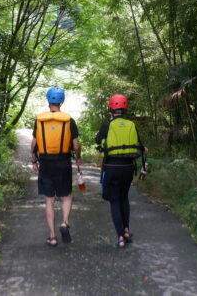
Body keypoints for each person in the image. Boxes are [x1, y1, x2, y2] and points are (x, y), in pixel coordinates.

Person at [31, 87, 82, 247]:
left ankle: (52, 237)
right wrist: (78, 158)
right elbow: (76, 144)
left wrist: (34, 161)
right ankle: (64, 223)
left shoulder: (40, 120)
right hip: (63, 162)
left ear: (48, 101)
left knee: (49, 200)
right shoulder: (69, 120)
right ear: (62, 101)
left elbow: (34, 144)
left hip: (45, 162)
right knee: (66, 196)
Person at [95, 94, 148, 248]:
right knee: (124, 198)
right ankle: (126, 230)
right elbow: (141, 145)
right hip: (128, 167)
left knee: (114, 200)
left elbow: (98, 140)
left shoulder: (107, 125)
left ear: (111, 107)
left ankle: (120, 237)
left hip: (112, 167)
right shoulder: (131, 124)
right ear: (125, 108)